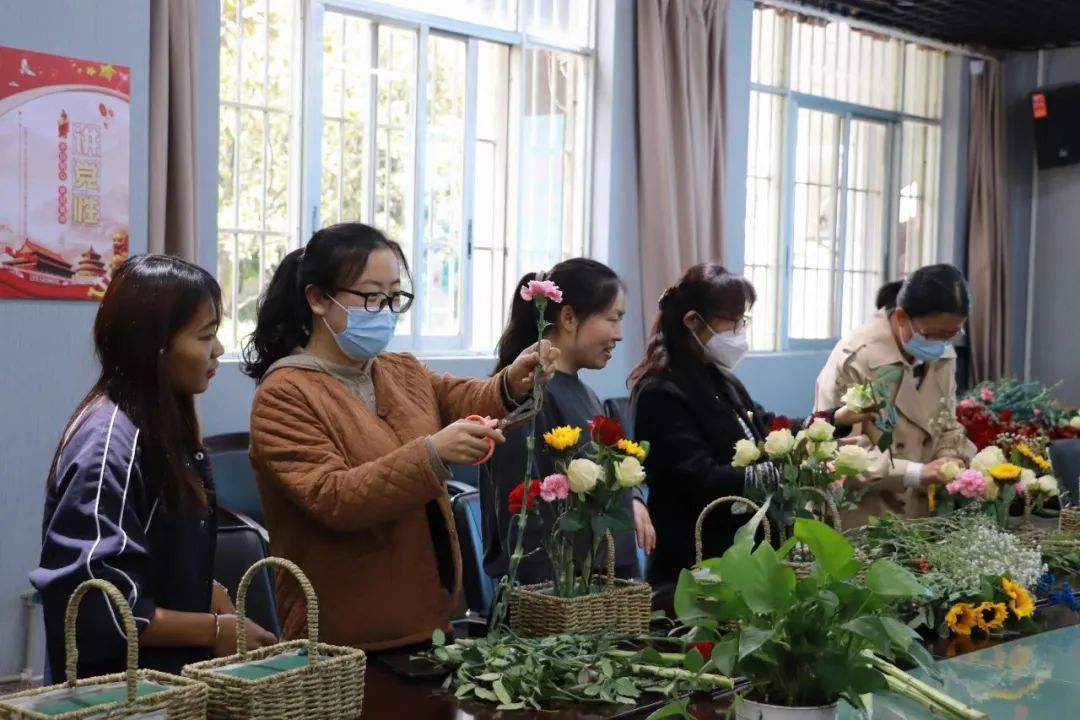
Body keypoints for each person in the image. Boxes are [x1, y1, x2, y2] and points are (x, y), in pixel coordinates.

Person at [243, 222, 557, 651]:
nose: (386, 311)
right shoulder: (284, 395)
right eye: (372, 297)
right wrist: (432, 455)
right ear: (317, 299)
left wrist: (512, 381)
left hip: (428, 614)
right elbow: (333, 496)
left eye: (395, 297)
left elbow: (462, 396)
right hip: (349, 638)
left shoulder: (399, 369)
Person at [31, 255, 277, 682]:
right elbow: (100, 607)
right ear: (156, 347)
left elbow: (154, 554)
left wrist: (206, 591)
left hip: (169, 683)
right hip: (119, 693)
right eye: (206, 335)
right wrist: (217, 630)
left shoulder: (160, 425)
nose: (218, 349)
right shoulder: (107, 448)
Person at [628, 264, 867, 585]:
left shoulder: (719, 379)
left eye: (744, 320)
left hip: (743, 550)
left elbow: (768, 429)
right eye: (732, 321)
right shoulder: (661, 391)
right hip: (697, 558)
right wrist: (789, 472)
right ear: (693, 321)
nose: (740, 331)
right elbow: (699, 478)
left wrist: (834, 419)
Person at [482, 259, 655, 587]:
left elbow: (603, 470)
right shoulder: (528, 397)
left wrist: (631, 497)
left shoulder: (585, 393)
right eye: (612, 319)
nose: (619, 335)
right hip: (563, 596)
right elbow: (524, 515)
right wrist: (551, 597)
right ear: (568, 318)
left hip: (603, 586)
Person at [815, 264, 974, 527]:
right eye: (932, 335)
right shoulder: (857, 358)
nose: (941, 344)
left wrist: (949, 459)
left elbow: (945, 421)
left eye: (951, 335)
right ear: (901, 317)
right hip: (864, 512)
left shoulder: (942, 352)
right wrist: (917, 473)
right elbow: (841, 454)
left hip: (918, 511)